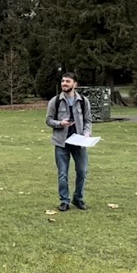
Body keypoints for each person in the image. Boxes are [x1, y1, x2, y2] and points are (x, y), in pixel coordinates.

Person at [45, 72, 92, 212]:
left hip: (79, 142)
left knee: (82, 171)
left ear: (75, 84)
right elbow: (48, 120)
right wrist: (61, 123)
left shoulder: (83, 101)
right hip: (61, 143)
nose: (64, 83)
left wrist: (87, 132)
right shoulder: (55, 101)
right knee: (63, 173)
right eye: (63, 81)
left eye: (68, 81)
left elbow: (88, 120)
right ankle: (64, 201)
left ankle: (78, 198)